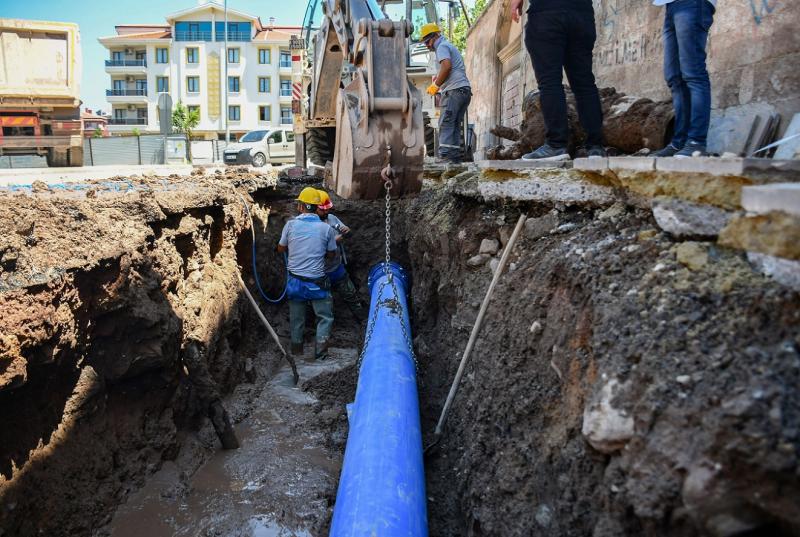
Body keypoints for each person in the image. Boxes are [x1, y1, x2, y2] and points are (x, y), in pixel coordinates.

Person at [510, 0, 606, 161]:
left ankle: (556, 145)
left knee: (550, 82)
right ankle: (596, 148)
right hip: (582, 13)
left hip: (546, 12)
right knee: (584, 83)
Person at [277, 187, 338, 360]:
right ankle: (321, 353)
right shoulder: (326, 229)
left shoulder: (290, 225)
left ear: (301, 206)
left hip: (295, 282)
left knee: (297, 318)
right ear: (316, 207)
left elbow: (281, 248)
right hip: (317, 282)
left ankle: (297, 351)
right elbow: (332, 254)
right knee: (325, 317)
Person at [651, 0, 716, 158]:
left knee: (693, 73)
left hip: (692, 4)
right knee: (674, 78)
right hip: (670, 6)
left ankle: (696, 142)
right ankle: (678, 143)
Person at [420, 23, 472, 164]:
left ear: (435, 36)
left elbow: (447, 66)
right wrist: (438, 80)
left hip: (454, 91)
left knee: (446, 123)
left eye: (428, 42)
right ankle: (454, 157)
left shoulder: (441, 47)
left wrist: (436, 85)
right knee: (454, 124)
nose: (427, 46)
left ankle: (446, 156)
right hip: (464, 91)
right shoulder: (448, 46)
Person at [316, 189, 366, 323]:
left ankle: (363, 321)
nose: (326, 212)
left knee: (351, 295)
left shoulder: (332, 218)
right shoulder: (310, 226)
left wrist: (347, 231)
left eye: (328, 209)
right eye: (323, 210)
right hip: (318, 274)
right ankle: (320, 331)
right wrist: (333, 241)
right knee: (321, 304)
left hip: (336, 268)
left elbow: (347, 234)